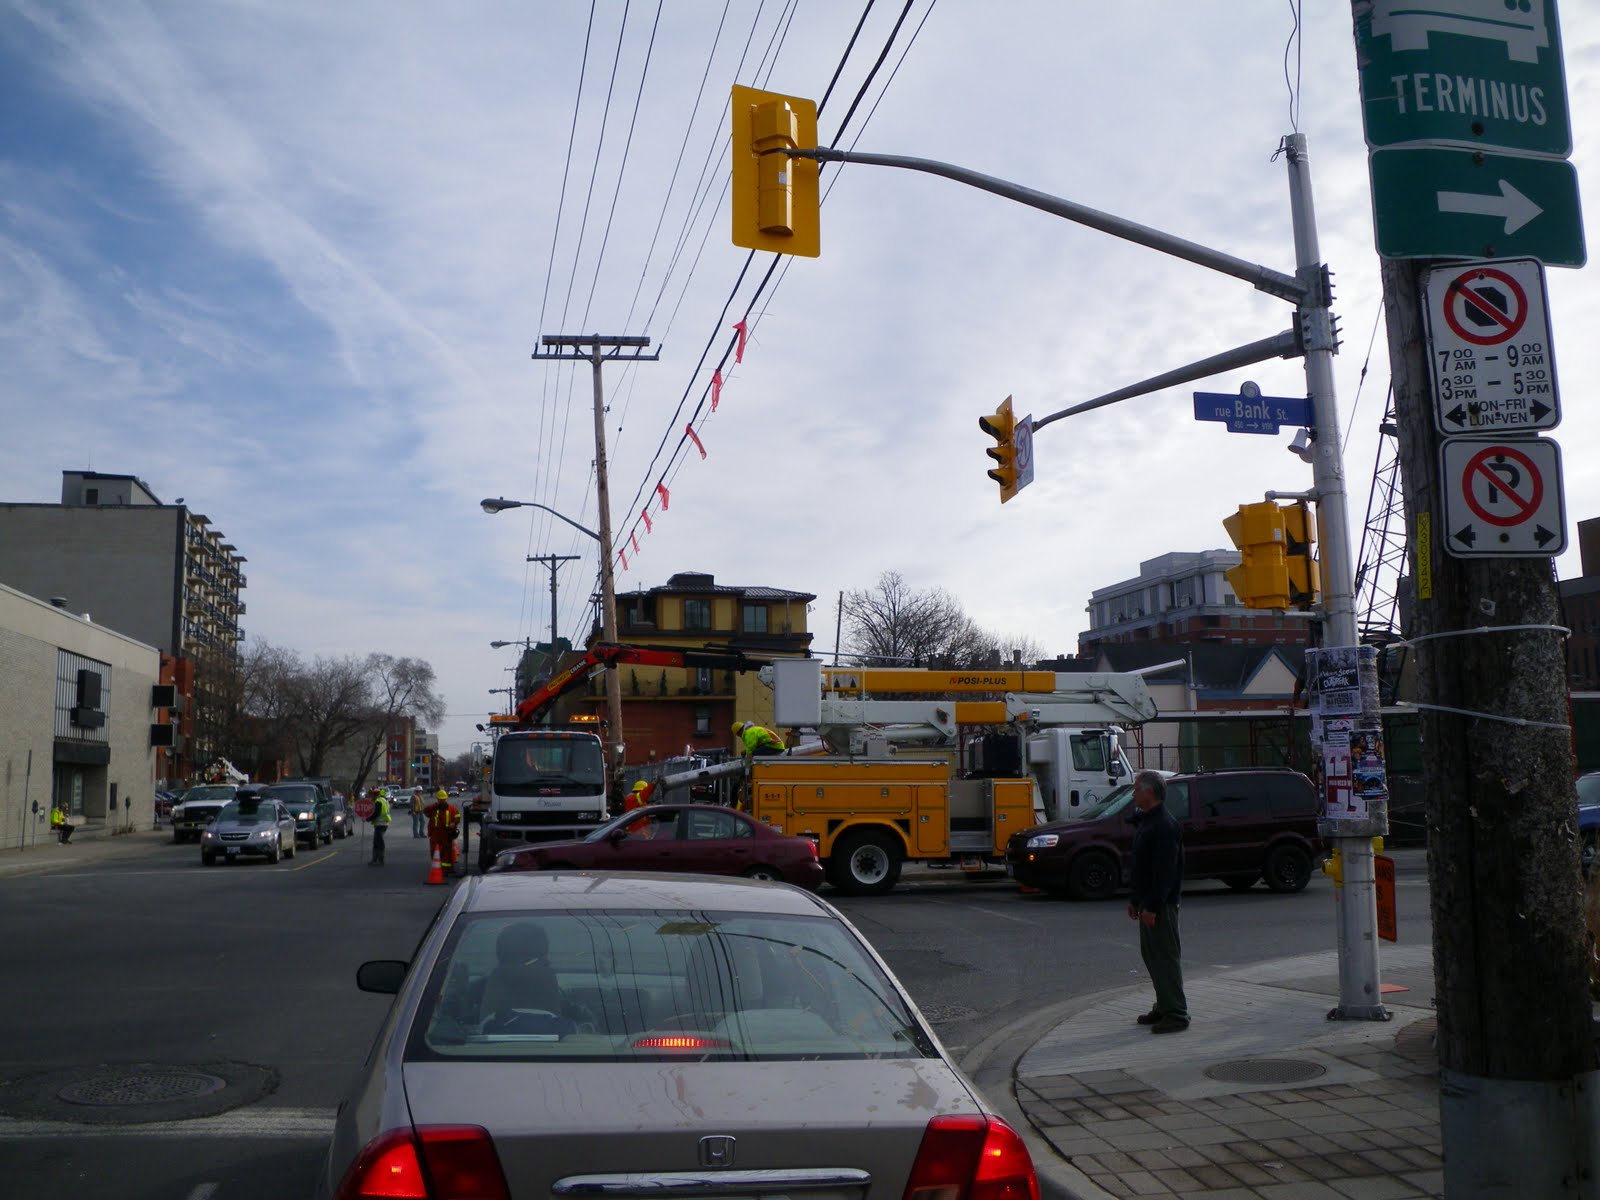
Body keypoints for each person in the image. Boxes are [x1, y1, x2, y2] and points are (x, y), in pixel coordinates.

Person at [1128, 769, 1188, 1033]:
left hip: (1159, 905)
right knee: (1152, 956)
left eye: (1136, 788)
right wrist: (1136, 900)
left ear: (1149, 792)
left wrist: (1152, 906)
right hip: (1147, 902)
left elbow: (1165, 872)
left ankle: (1176, 1013)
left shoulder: (1164, 825)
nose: (1133, 793)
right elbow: (1142, 866)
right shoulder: (1148, 821)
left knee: (1165, 957)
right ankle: (1164, 1004)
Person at [425, 788, 461, 869]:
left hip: (446, 833)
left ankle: (446, 868)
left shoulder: (452, 808)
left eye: (443, 799)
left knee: (446, 851)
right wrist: (434, 805)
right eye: (440, 799)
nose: (441, 801)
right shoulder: (434, 809)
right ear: (437, 799)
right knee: (434, 850)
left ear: (445, 799)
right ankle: (437, 866)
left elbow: (457, 817)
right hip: (435, 833)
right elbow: (425, 811)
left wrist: (454, 823)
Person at [369, 789, 392, 866]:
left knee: (378, 842)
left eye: (372, 794)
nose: (372, 796)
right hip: (384, 823)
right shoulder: (385, 800)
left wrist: (368, 818)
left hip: (380, 823)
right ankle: (375, 859)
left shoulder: (379, 801)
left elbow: (377, 813)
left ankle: (380, 860)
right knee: (376, 841)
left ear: (376, 794)